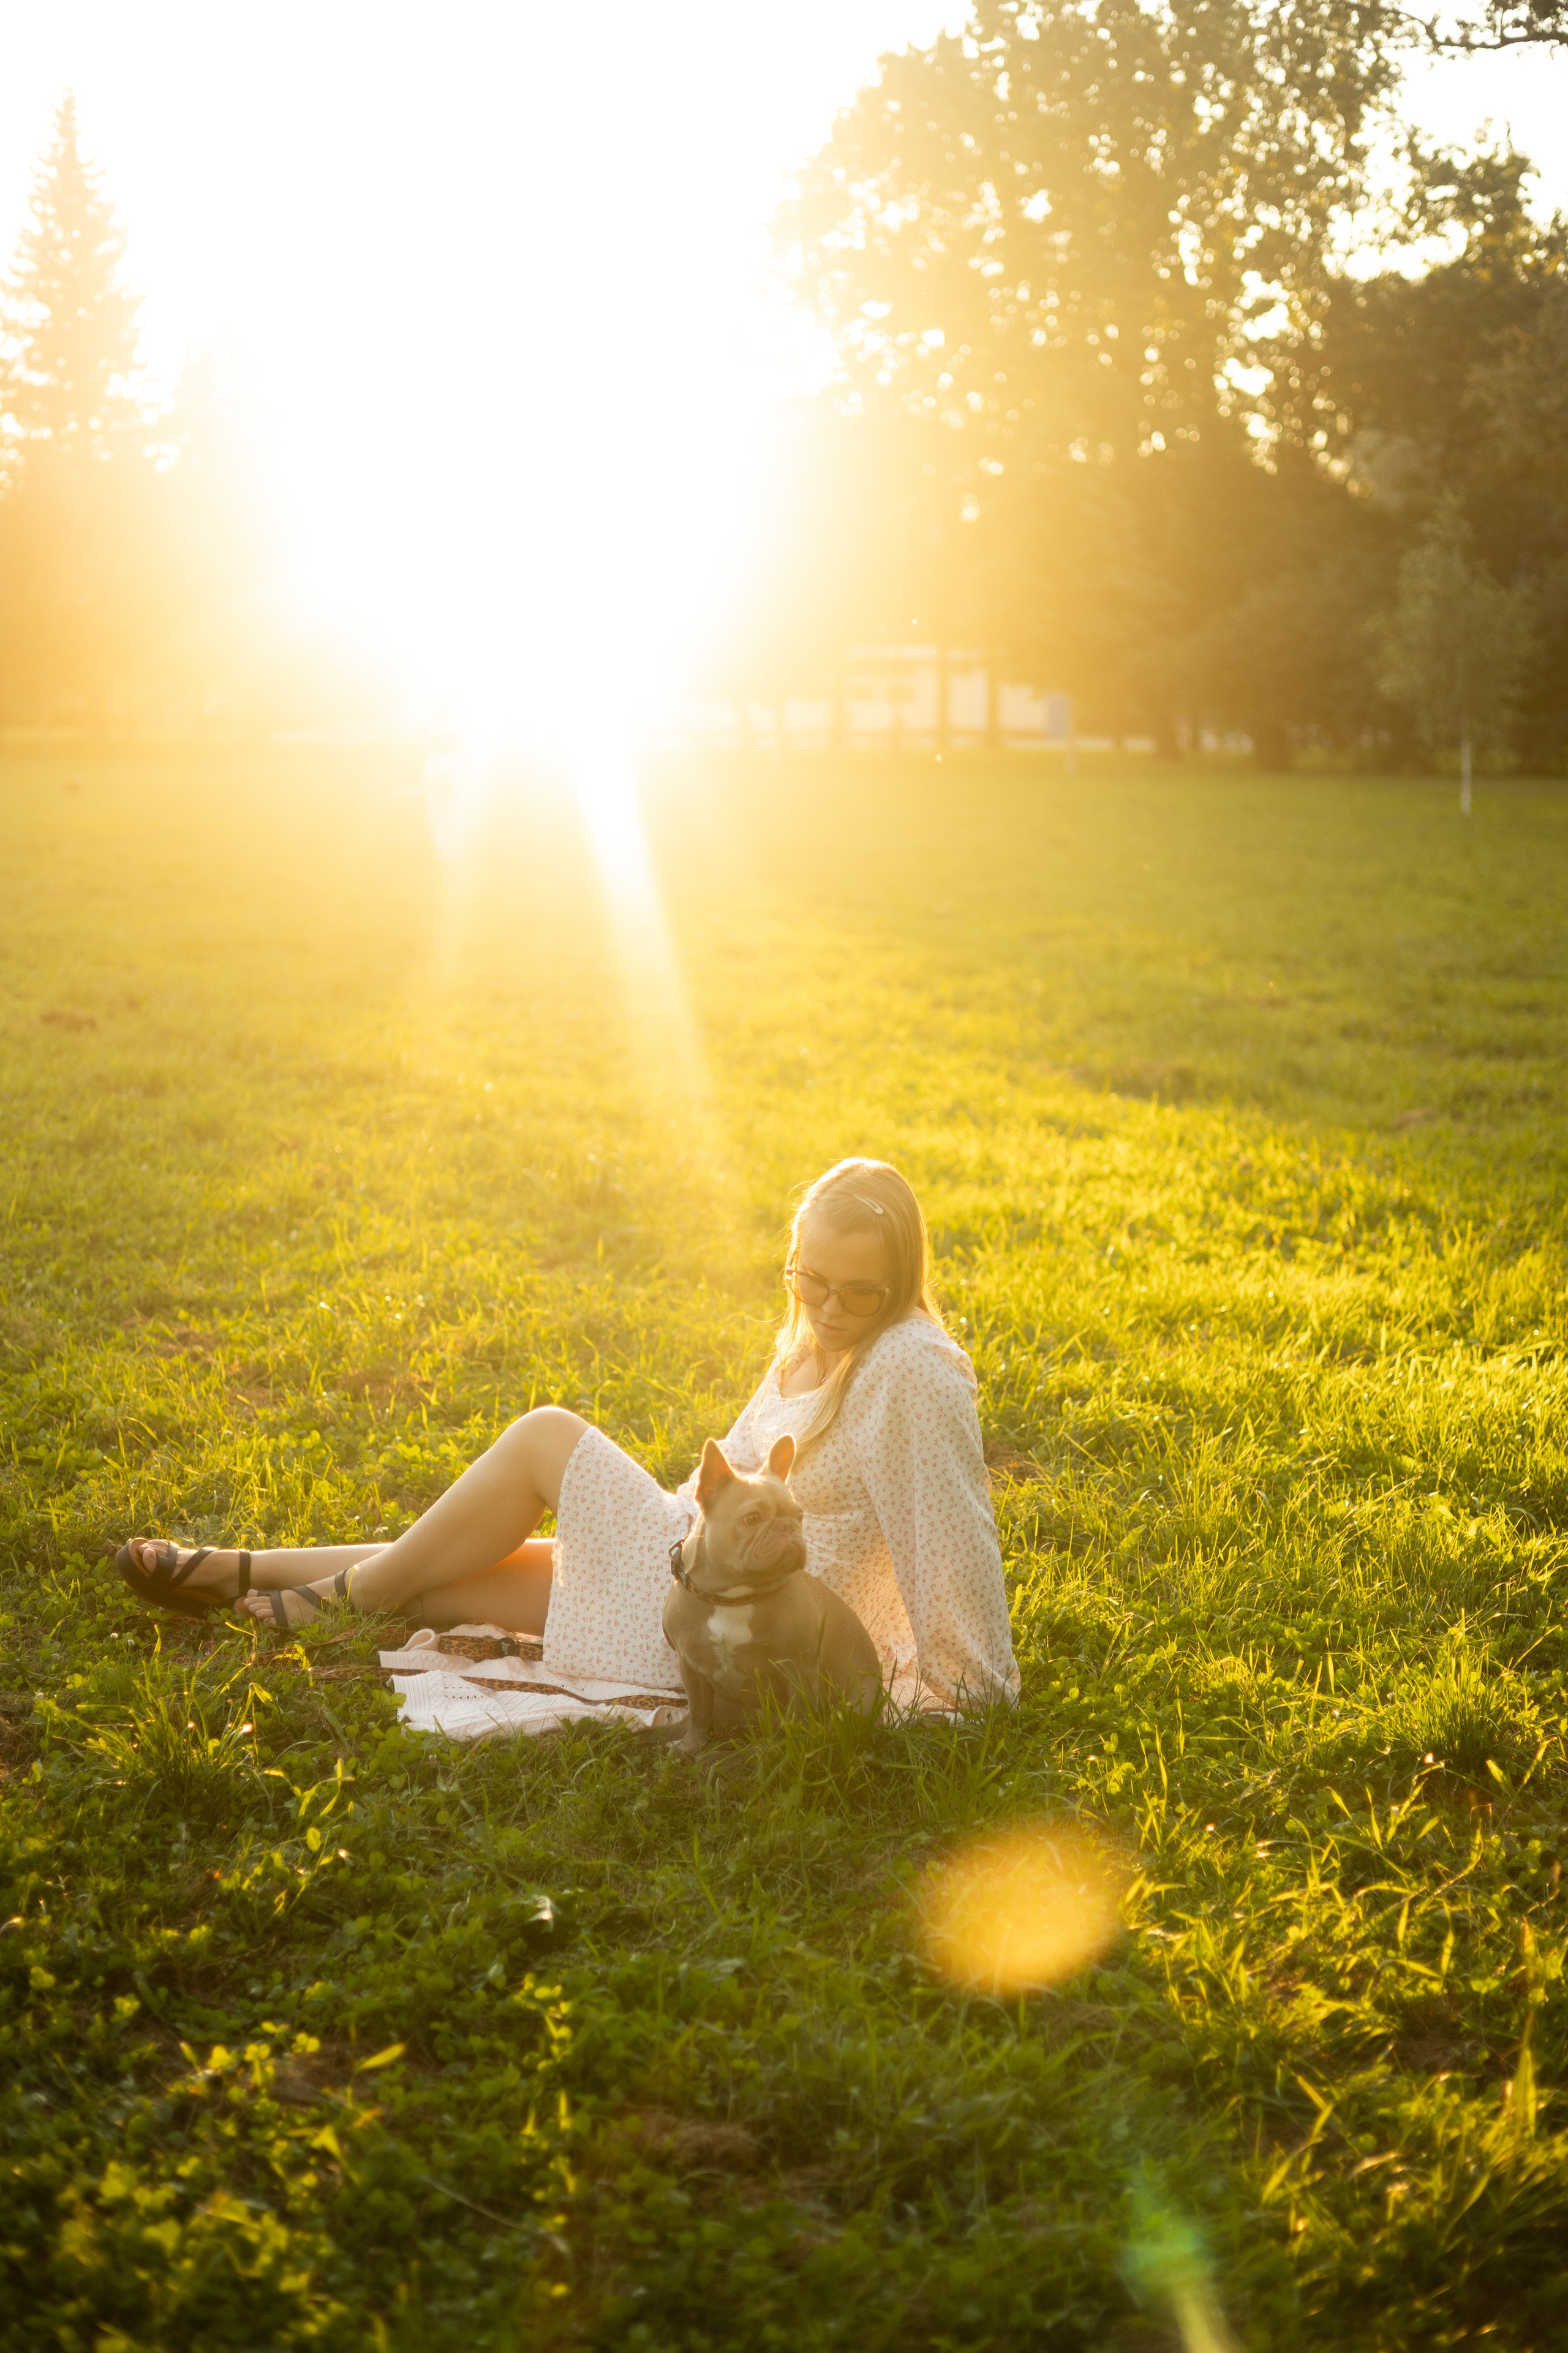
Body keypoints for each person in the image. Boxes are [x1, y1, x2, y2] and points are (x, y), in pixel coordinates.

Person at [116, 1158, 1019, 1714]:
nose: (827, 1306)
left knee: (547, 1435)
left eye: (858, 1291)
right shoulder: (812, 1343)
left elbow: (954, 1531)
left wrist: (971, 1689)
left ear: (901, 1281)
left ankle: (339, 1596)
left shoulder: (909, 1365)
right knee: (448, 1576)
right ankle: (240, 1569)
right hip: (690, 1565)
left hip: (744, 1630)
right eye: (810, 1278)